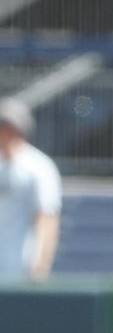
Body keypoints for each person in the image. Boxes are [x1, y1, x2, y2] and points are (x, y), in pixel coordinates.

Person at [0, 97, 61, 281]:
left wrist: (41, 266)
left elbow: (47, 218)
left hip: (20, 271)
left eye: (6, 125)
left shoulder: (39, 166)